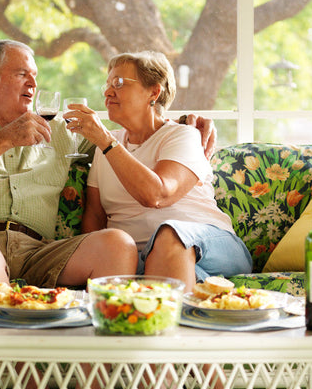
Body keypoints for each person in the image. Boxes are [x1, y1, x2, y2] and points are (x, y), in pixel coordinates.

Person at [0, 40, 216, 297]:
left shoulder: (58, 131)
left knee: (116, 244)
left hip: (37, 252)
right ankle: (16, 362)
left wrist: (179, 124)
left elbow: (125, 140)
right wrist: (5, 138)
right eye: (21, 74)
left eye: (35, 76)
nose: (33, 83)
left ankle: (97, 366)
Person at [67, 50, 252, 292]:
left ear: (154, 92)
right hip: (145, 260)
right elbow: (95, 216)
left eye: (119, 83)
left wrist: (105, 141)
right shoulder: (107, 143)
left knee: (169, 235)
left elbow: (158, 195)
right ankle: (195, 292)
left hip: (208, 245)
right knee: (167, 272)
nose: (107, 92)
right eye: (108, 84)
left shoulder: (183, 135)